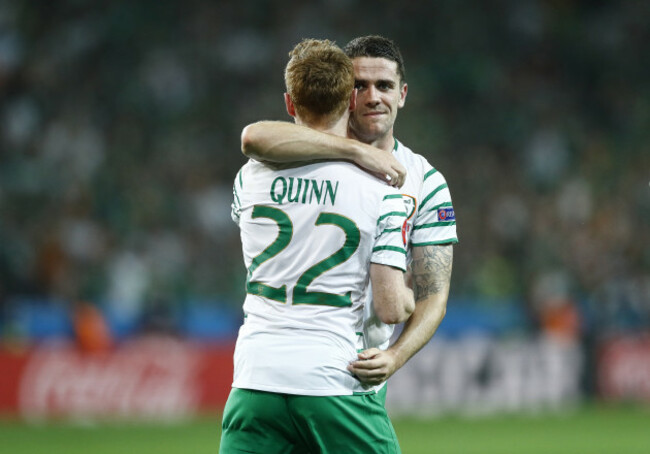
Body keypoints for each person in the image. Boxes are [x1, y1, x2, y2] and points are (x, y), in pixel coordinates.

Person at [221, 39, 415, 454]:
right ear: (350, 100)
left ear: (290, 104)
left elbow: (259, 142)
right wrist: (411, 299)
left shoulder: (248, 178)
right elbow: (390, 308)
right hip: (333, 380)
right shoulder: (381, 193)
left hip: (254, 379)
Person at [241, 35, 458, 388]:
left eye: (385, 86)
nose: (373, 97)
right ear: (347, 94)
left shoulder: (426, 181)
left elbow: (434, 295)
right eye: (361, 85)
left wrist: (395, 355)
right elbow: (253, 138)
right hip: (328, 363)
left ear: (402, 95)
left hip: (349, 365)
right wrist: (356, 152)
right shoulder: (301, 156)